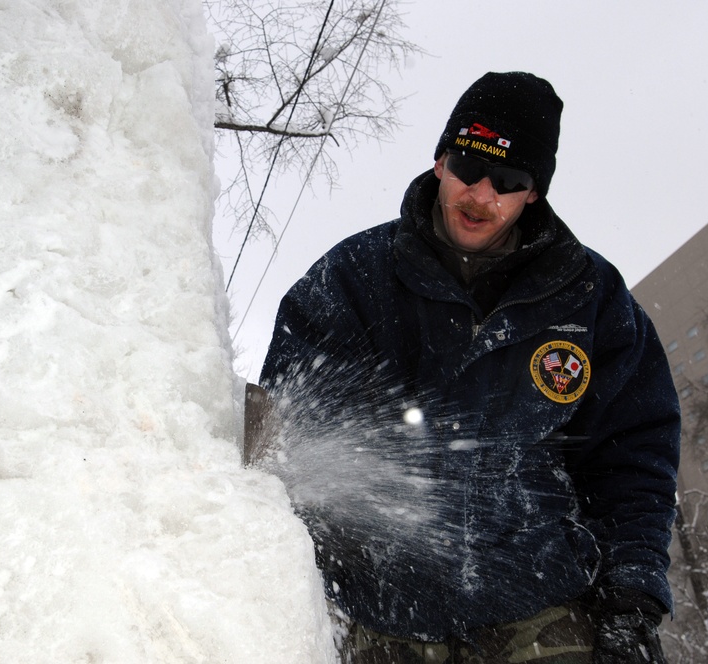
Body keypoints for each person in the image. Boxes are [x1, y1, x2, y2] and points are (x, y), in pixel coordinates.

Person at [253, 72, 680, 663]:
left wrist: (631, 602)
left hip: (541, 610)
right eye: (467, 167)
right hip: (382, 617)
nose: (480, 195)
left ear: (534, 192)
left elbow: (634, 458)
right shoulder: (353, 279)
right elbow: (290, 444)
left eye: (507, 180)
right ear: (439, 162)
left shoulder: (590, 298)